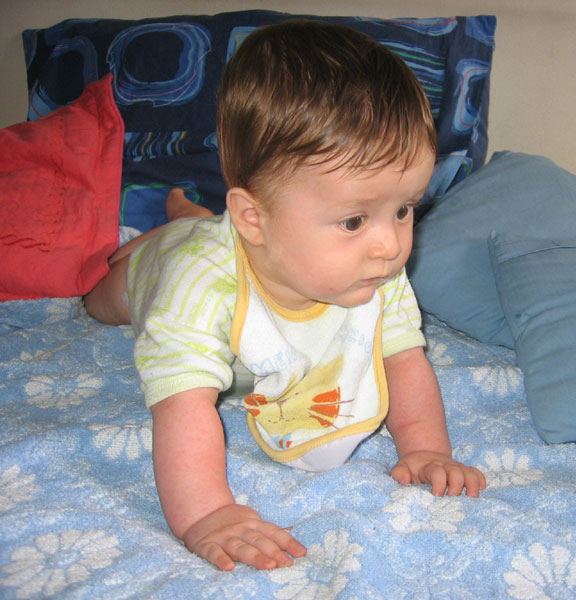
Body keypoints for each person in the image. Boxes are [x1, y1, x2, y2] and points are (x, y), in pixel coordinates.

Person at [84, 19, 486, 572]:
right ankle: (172, 226)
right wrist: (207, 514)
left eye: (403, 209)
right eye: (354, 220)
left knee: (196, 225)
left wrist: (425, 450)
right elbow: (182, 404)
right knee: (103, 297)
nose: (390, 245)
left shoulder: (373, 269)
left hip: (242, 234)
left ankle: (189, 214)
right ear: (253, 218)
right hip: (158, 271)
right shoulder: (198, 287)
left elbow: (402, 356)